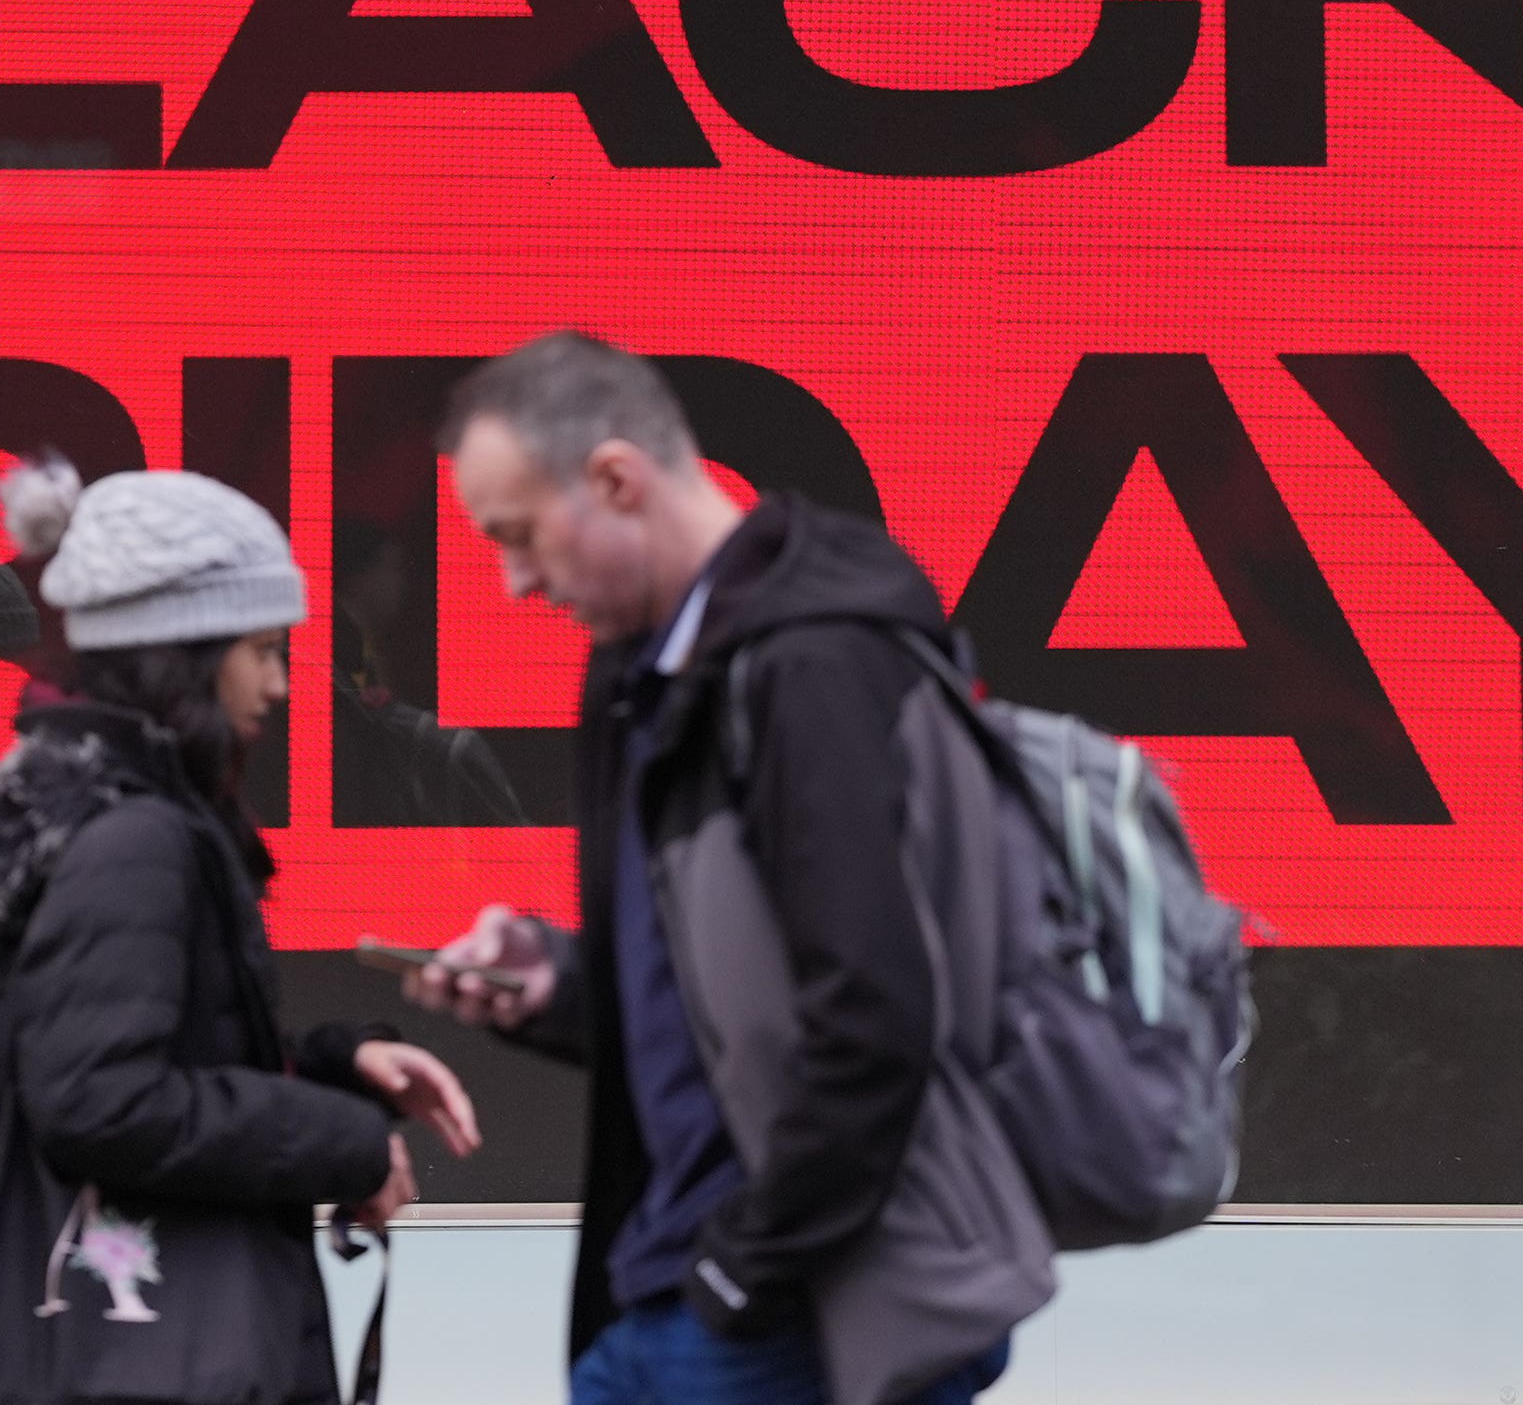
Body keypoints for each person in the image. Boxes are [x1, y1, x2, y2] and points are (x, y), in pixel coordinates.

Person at [398, 333, 1046, 1405]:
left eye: (520, 536)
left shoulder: (814, 660)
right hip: (685, 1297)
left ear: (616, 477)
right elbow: (719, 1004)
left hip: (791, 1310)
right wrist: (559, 981)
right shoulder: (648, 668)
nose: (515, 582)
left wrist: (745, 1270)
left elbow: (876, 1011)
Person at [0, 461, 480, 1405]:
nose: (279, 683)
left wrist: (332, 1065)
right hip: (151, 1354)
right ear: (185, 652)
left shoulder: (94, 812)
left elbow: (126, 1054)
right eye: (261, 650)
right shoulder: (138, 837)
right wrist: (342, 1140)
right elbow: (102, 1100)